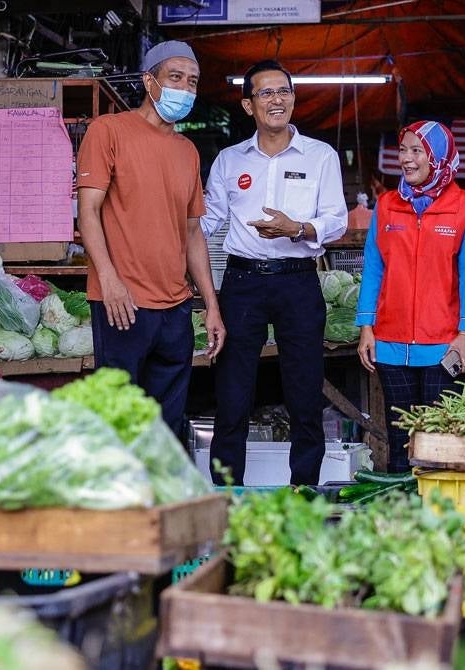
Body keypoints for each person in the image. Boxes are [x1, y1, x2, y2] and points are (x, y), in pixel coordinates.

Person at [201, 60, 347, 486]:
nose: (277, 99)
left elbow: (335, 219)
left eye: (284, 91)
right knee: (232, 395)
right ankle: (227, 495)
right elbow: (209, 220)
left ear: (293, 99)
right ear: (249, 105)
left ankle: (303, 490)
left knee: (304, 392)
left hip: (297, 279)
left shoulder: (320, 156)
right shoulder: (229, 161)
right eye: (265, 93)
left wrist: (297, 229)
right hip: (242, 283)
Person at [76, 40, 225, 437]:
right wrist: (108, 280)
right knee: (119, 423)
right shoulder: (108, 131)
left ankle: (160, 499)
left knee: (167, 426)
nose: (185, 88)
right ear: (149, 81)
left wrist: (210, 304)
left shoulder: (187, 151)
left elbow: (193, 231)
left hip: (175, 308)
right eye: (175, 77)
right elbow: (87, 211)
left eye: (192, 82)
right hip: (122, 303)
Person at [355, 120, 465, 472]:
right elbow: (374, 268)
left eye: (417, 151)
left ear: (438, 157)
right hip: (390, 342)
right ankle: (402, 518)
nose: (407, 160)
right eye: (403, 150)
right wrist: (367, 326)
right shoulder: (386, 205)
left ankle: (436, 517)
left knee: (438, 439)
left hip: (444, 344)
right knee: (400, 440)